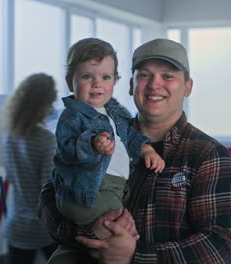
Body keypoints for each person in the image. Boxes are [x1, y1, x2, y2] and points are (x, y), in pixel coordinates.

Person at [39, 38, 231, 264]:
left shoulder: (208, 156)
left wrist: (133, 255)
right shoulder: (102, 133)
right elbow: (48, 198)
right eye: (144, 75)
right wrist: (90, 232)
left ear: (188, 87)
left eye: (168, 76)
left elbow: (219, 247)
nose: (155, 84)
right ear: (131, 85)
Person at [52, 37, 164, 228]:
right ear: (70, 82)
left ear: (115, 80)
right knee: (121, 231)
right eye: (87, 76)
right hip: (91, 192)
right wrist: (92, 144)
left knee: (118, 234)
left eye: (105, 77)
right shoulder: (72, 115)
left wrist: (146, 149)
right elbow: (67, 148)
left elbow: (130, 134)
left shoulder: (115, 111)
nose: (97, 84)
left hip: (115, 188)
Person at [0, 72, 59, 263]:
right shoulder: (46, 140)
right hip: (43, 226)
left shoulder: (9, 137)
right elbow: (48, 189)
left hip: (17, 224)